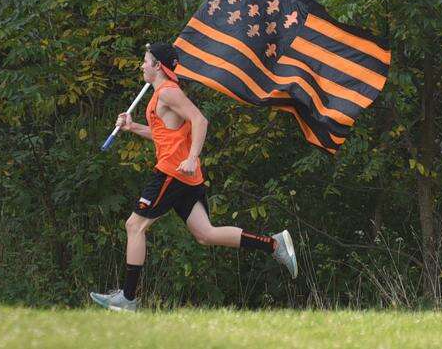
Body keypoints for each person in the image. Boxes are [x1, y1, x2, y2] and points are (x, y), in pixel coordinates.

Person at [89, 42, 297, 312]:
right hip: (183, 176)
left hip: (172, 172)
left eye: (146, 61)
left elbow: (200, 120)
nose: (142, 65)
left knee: (134, 225)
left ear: (158, 66)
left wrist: (192, 157)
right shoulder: (160, 95)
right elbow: (165, 135)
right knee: (205, 234)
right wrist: (133, 127)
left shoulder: (168, 92)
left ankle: (127, 299)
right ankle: (274, 244)